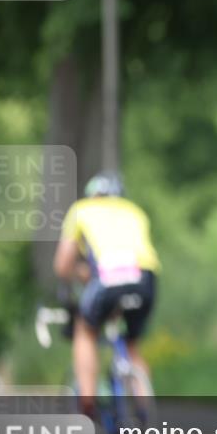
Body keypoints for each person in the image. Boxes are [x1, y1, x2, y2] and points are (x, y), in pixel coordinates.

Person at [53, 171, 160, 418]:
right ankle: (144, 408)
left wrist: (76, 276)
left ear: (93, 195)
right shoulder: (135, 211)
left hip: (108, 276)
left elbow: (62, 265)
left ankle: (87, 402)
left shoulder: (81, 209)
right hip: (146, 277)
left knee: (85, 331)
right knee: (132, 345)